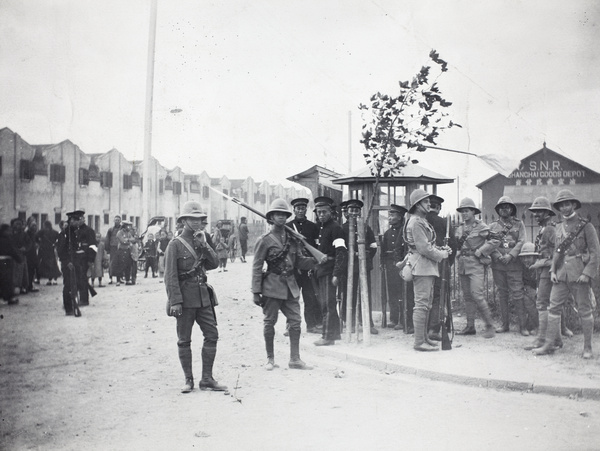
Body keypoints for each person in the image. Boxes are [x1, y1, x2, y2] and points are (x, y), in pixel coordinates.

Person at [164, 201, 227, 393]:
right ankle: (188, 379)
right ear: (184, 221)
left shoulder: (203, 239)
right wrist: (175, 301)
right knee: (184, 339)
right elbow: (170, 276)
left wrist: (205, 244)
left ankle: (207, 379)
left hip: (203, 297)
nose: (198, 222)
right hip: (184, 299)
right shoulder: (175, 245)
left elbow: (215, 263)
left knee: (212, 334)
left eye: (200, 219)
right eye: (193, 219)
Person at [533, 189, 600, 359]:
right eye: (561, 205)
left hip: (579, 274)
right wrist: (553, 270)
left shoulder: (586, 226)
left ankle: (587, 347)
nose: (564, 208)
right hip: (561, 274)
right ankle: (549, 344)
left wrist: (587, 273)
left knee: (584, 310)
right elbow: (557, 251)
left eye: (567, 204)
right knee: (553, 307)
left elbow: (595, 253)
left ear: (574, 205)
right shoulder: (558, 227)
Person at [252, 198, 317, 370]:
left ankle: (295, 359)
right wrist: (255, 291)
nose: (281, 217)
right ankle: (270, 359)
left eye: (283, 215)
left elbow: (299, 262)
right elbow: (257, 266)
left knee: (295, 322)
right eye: (277, 214)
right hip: (272, 287)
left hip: (290, 286)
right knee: (269, 322)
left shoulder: (292, 239)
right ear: (271, 217)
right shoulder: (264, 240)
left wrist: (317, 260)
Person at [404, 189, 451, 352]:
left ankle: (424, 338)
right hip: (421, 266)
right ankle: (418, 342)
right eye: (425, 202)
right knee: (421, 305)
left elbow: (428, 245)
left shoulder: (421, 220)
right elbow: (424, 249)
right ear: (417, 205)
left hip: (427, 266)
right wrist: (442, 254)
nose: (429, 204)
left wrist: (440, 248)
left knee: (427, 304)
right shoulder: (416, 222)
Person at [454, 197, 496, 338]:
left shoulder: (481, 226)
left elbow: (495, 240)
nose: (464, 214)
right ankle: (470, 326)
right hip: (463, 265)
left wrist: (482, 250)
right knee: (467, 297)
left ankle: (490, 326)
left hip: (476, 264)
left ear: (473, 212)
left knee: (477, 295)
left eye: (467, 211)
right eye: (462, 211)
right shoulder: (459, 228)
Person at [488, 196, 529, 335]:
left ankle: (522, 326)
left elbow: (521, 241)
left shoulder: (519, 224)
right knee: (502, 294)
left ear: (512, 209)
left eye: (507, 207)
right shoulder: (492, 226)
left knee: (518, 294)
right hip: (498, 265)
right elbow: (489, 244)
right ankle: (505, 325)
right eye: (502, 207)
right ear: (498, 210)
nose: (504, 209)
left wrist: (511, 255)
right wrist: (498, 256)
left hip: (514, 265)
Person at [313, 197, 347, 346]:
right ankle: (333, 335)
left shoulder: (335, 228)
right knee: (325, 304)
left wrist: (336, 273)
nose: (321, 215)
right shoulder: (321, 228)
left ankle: (327, 336)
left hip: (330, 271)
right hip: (322, 270)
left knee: (328, 305)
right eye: (319, 212)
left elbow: (341, 252)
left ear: (331, 213)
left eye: (324, 212)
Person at [523, 197, 556, 351]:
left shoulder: (550, 229)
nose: (536, 215)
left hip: (548, 271)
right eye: (534, 212)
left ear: (547, 213)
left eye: (539, 212)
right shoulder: (543, 229)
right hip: (543, 271)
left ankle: (542, 340)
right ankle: (555, 340)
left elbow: (559, 253)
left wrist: (540, 263)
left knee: (542, 304)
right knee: (548, 304)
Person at [341, 199, 379, 334]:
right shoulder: (342, 229)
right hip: (348, 267)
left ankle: (367, 322)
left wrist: (364, 256)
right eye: (351, 210)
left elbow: (373, 247)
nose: (353, 213)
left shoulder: (366, 228)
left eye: (356, 210)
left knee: (365, 293)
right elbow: (340, 249)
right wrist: (350, 255)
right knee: (348, 294)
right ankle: (349, 321)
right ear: (346, 213)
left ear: (360, 212)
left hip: (363, 266)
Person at [287, 197, 322, 334]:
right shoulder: (288, 227)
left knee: (310, 297)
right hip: (294, 268)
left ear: (306, 209)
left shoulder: (313, 227)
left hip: (308, 267)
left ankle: (311, 325)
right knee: (292, 299)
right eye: (298, 208)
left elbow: (316, 246)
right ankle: (290, 326)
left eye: (303, 208)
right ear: (294, 210)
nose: (300, 211)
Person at [426, 195, 457, 341]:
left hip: (423, 263)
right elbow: (454, 244)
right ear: (438, 208)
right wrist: (448, 262)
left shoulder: (421, 221)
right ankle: (434, 328)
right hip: (441, 263)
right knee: (439, 294)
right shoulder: (444, 222)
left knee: (424, 294)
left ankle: (422, 327)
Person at [57, 210, 97, 313]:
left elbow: (92, 246)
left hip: (81, 260)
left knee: (80, 281)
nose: (78, 222)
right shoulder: (66, 233)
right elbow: (61, 250)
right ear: (72, 221)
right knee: (70, 284)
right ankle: (69, 307)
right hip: (70, 262)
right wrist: (66, 261)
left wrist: (90, 259)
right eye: (77, 220)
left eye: (80, 219)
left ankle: (80, 300)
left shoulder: (85, 231)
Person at [382, 203, 413, 331]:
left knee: (403, 292)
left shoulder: (404, 231)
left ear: (400, 217)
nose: (389, 217)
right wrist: (382, 262)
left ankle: (402, 319)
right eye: (389, 215)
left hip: (402, 264)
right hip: (390, 265)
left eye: (392, 215)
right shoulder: (387, 233)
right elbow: (383, 250)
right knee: (392, 292)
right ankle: (393, 318)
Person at [0, 223, 22, 305]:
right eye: (8, 230)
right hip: (6, 262)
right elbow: (12, 250)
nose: (10, 232)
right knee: (7, 280)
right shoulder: (7, 240)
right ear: (5, 231)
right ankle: (9, 298)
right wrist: (19, 259)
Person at [35, 220, 62, 285]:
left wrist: (39, 243)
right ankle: (51, 279)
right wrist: (55, 244)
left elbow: (35, 237)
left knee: (39, 263)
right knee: (52, 264)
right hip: (50, 249)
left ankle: (38, 278)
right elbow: (59, 239)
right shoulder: (54, 232)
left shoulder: (42, 231)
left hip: (42, 249)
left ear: (45, 225)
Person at [11, 218, 31, 294]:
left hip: (21, 255)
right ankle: (13, 286)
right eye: (16, 224)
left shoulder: (24, 234)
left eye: (20, 224)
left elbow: (29, 243)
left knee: (22, 272)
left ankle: (23, 286)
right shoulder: (10, 233)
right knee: (13, 272)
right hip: (12, 255)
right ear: (12, 224)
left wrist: (25, 248)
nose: (18, 226)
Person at [115, 221, 134, 286]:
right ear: (124, 226)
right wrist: (128, 240)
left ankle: (127, 280)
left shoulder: (128, 233)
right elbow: (123, 241)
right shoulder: (119, 233)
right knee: (120, 265)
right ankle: (118, 280)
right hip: (121, 250)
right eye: (127, 226)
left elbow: (132, 239)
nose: (129, 227)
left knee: (128, 265)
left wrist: (128, 240)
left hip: (127, 250)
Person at [104, 215, 122, 284]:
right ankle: (110, 278)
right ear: (114, 221)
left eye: (118, 220)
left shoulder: (122, 229)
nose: (116, 221)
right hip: (113, 248)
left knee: (120, 263)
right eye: (115, 220)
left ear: (120, 221)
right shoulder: (111, 230)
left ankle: (119, 278)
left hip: (120, 248)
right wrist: (107, 249)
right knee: (112, 263)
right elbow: (107, 239)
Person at [25, 216, 40, 290]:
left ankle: (30, 284)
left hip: (33, 253)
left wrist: (36, 244)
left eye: (35, 225)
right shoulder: (27, 232)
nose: (35, 227)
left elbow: (36, 241)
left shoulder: (34, 233)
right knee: (29, 269)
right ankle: (28, 285)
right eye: (33, 225)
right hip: (28, 253)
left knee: (32, 269)